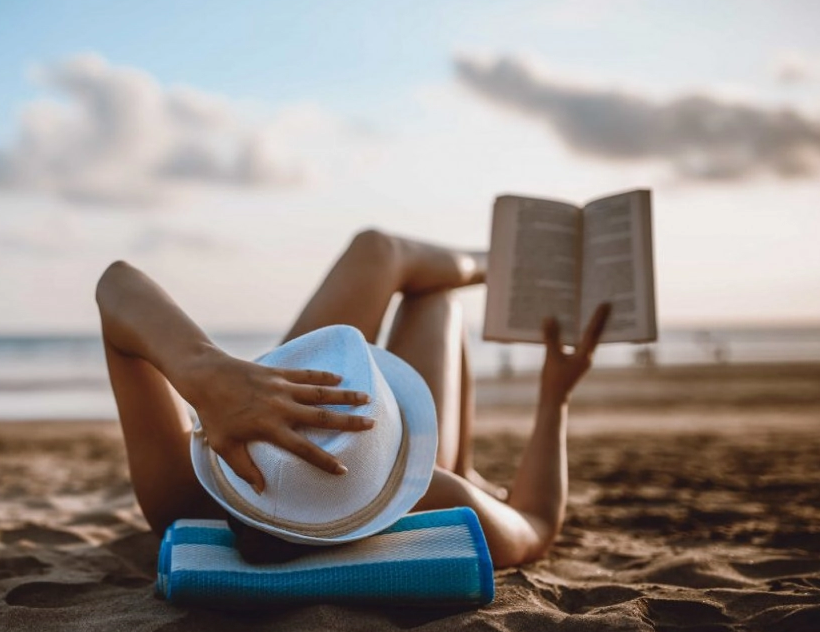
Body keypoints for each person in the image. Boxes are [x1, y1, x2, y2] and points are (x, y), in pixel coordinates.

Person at [95, 229, 610, 568]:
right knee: (432, 298)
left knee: (377, 252)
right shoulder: (437, 500)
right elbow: (537, 522)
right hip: (430, 480)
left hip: (260, 422)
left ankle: (497, 264)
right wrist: (555, 396)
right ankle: (500, 267)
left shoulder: (185, 498)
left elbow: (116, 285)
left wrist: (206, 370)